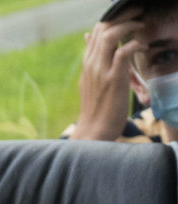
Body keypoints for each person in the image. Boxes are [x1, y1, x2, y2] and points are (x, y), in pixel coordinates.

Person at [63, 0, 178, 143]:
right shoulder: (128, 142)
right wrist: (93, 134)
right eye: (166, 56)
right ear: (137, 83)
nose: (167, 57)